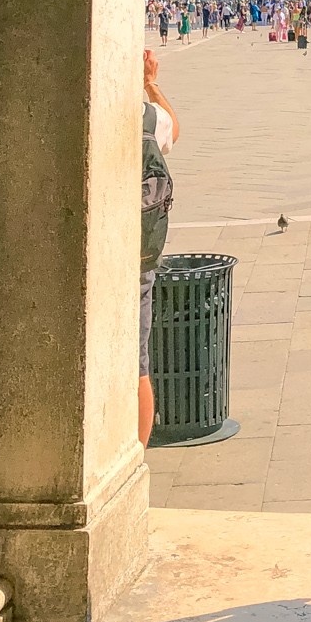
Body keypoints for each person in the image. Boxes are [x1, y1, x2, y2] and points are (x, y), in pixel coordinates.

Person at [140, 49, 179, 446]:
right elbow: (176, 129)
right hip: (137, 253)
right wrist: (150, 82)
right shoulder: (150, 119)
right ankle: (136, 459)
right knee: (137, 366)